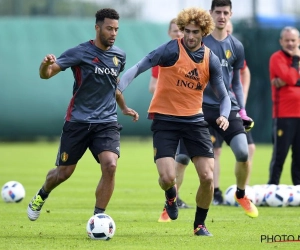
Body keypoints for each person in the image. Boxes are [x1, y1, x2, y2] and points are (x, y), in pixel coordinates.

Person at [119, 7, 231, 236]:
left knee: (208, 177)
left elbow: (224, 95)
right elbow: (140, 66)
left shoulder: (212, 59)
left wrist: (224, 115)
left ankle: (200, 225)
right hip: (165, 120)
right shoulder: (171, 49)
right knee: (167, 177)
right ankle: (171, 195)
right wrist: (119, 86)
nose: (189, 36)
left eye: (195, 32)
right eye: (186, 31)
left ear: (204, 32)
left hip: (194, 121)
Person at [27, 8, 139, 221]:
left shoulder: (119, 56)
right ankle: (42, 194)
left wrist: (123, 107)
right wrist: (44, 66)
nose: (113, 33)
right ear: (97, 28)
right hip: (78, 121)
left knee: (110, 165)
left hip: (106, 122)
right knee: (63, 173)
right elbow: (47, 74)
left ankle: (99, 218)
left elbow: (112, 86)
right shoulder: (79, 52)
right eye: (109, 28)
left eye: (116, 29)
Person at [148, 18, 191, 223]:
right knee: (168, 171)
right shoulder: (164, 56)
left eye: (180, 31)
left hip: (189, 116)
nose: (178, 34)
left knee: (183, 159)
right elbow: (152, 86)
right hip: (167, 116)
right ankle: (171, 196)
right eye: (174, 31)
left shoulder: (196, 56)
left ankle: (176, 197)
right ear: (169, 33)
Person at [209, 19, 256, 204]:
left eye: (225, 14)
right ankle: (213, 193)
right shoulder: (202, 43)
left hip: (230, 107)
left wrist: (242, 108)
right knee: (209, 153)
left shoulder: (236, 46)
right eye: (218, 13)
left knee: (245, 151)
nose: (222, 18)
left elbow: (240, 77)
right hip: (205, 108)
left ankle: (241, 193)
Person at [268, 26, 300, 185]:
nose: (290, 43)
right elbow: (291, 78)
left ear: (298, 41)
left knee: (299, 156)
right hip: (284, 115)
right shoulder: (277, 58)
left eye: (293, 40)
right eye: (287, 40)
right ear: (281, 41)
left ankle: (299, 190)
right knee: (280, 155)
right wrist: (295, 62)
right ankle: (272, 187)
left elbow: (289, 79)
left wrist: (288, 79)